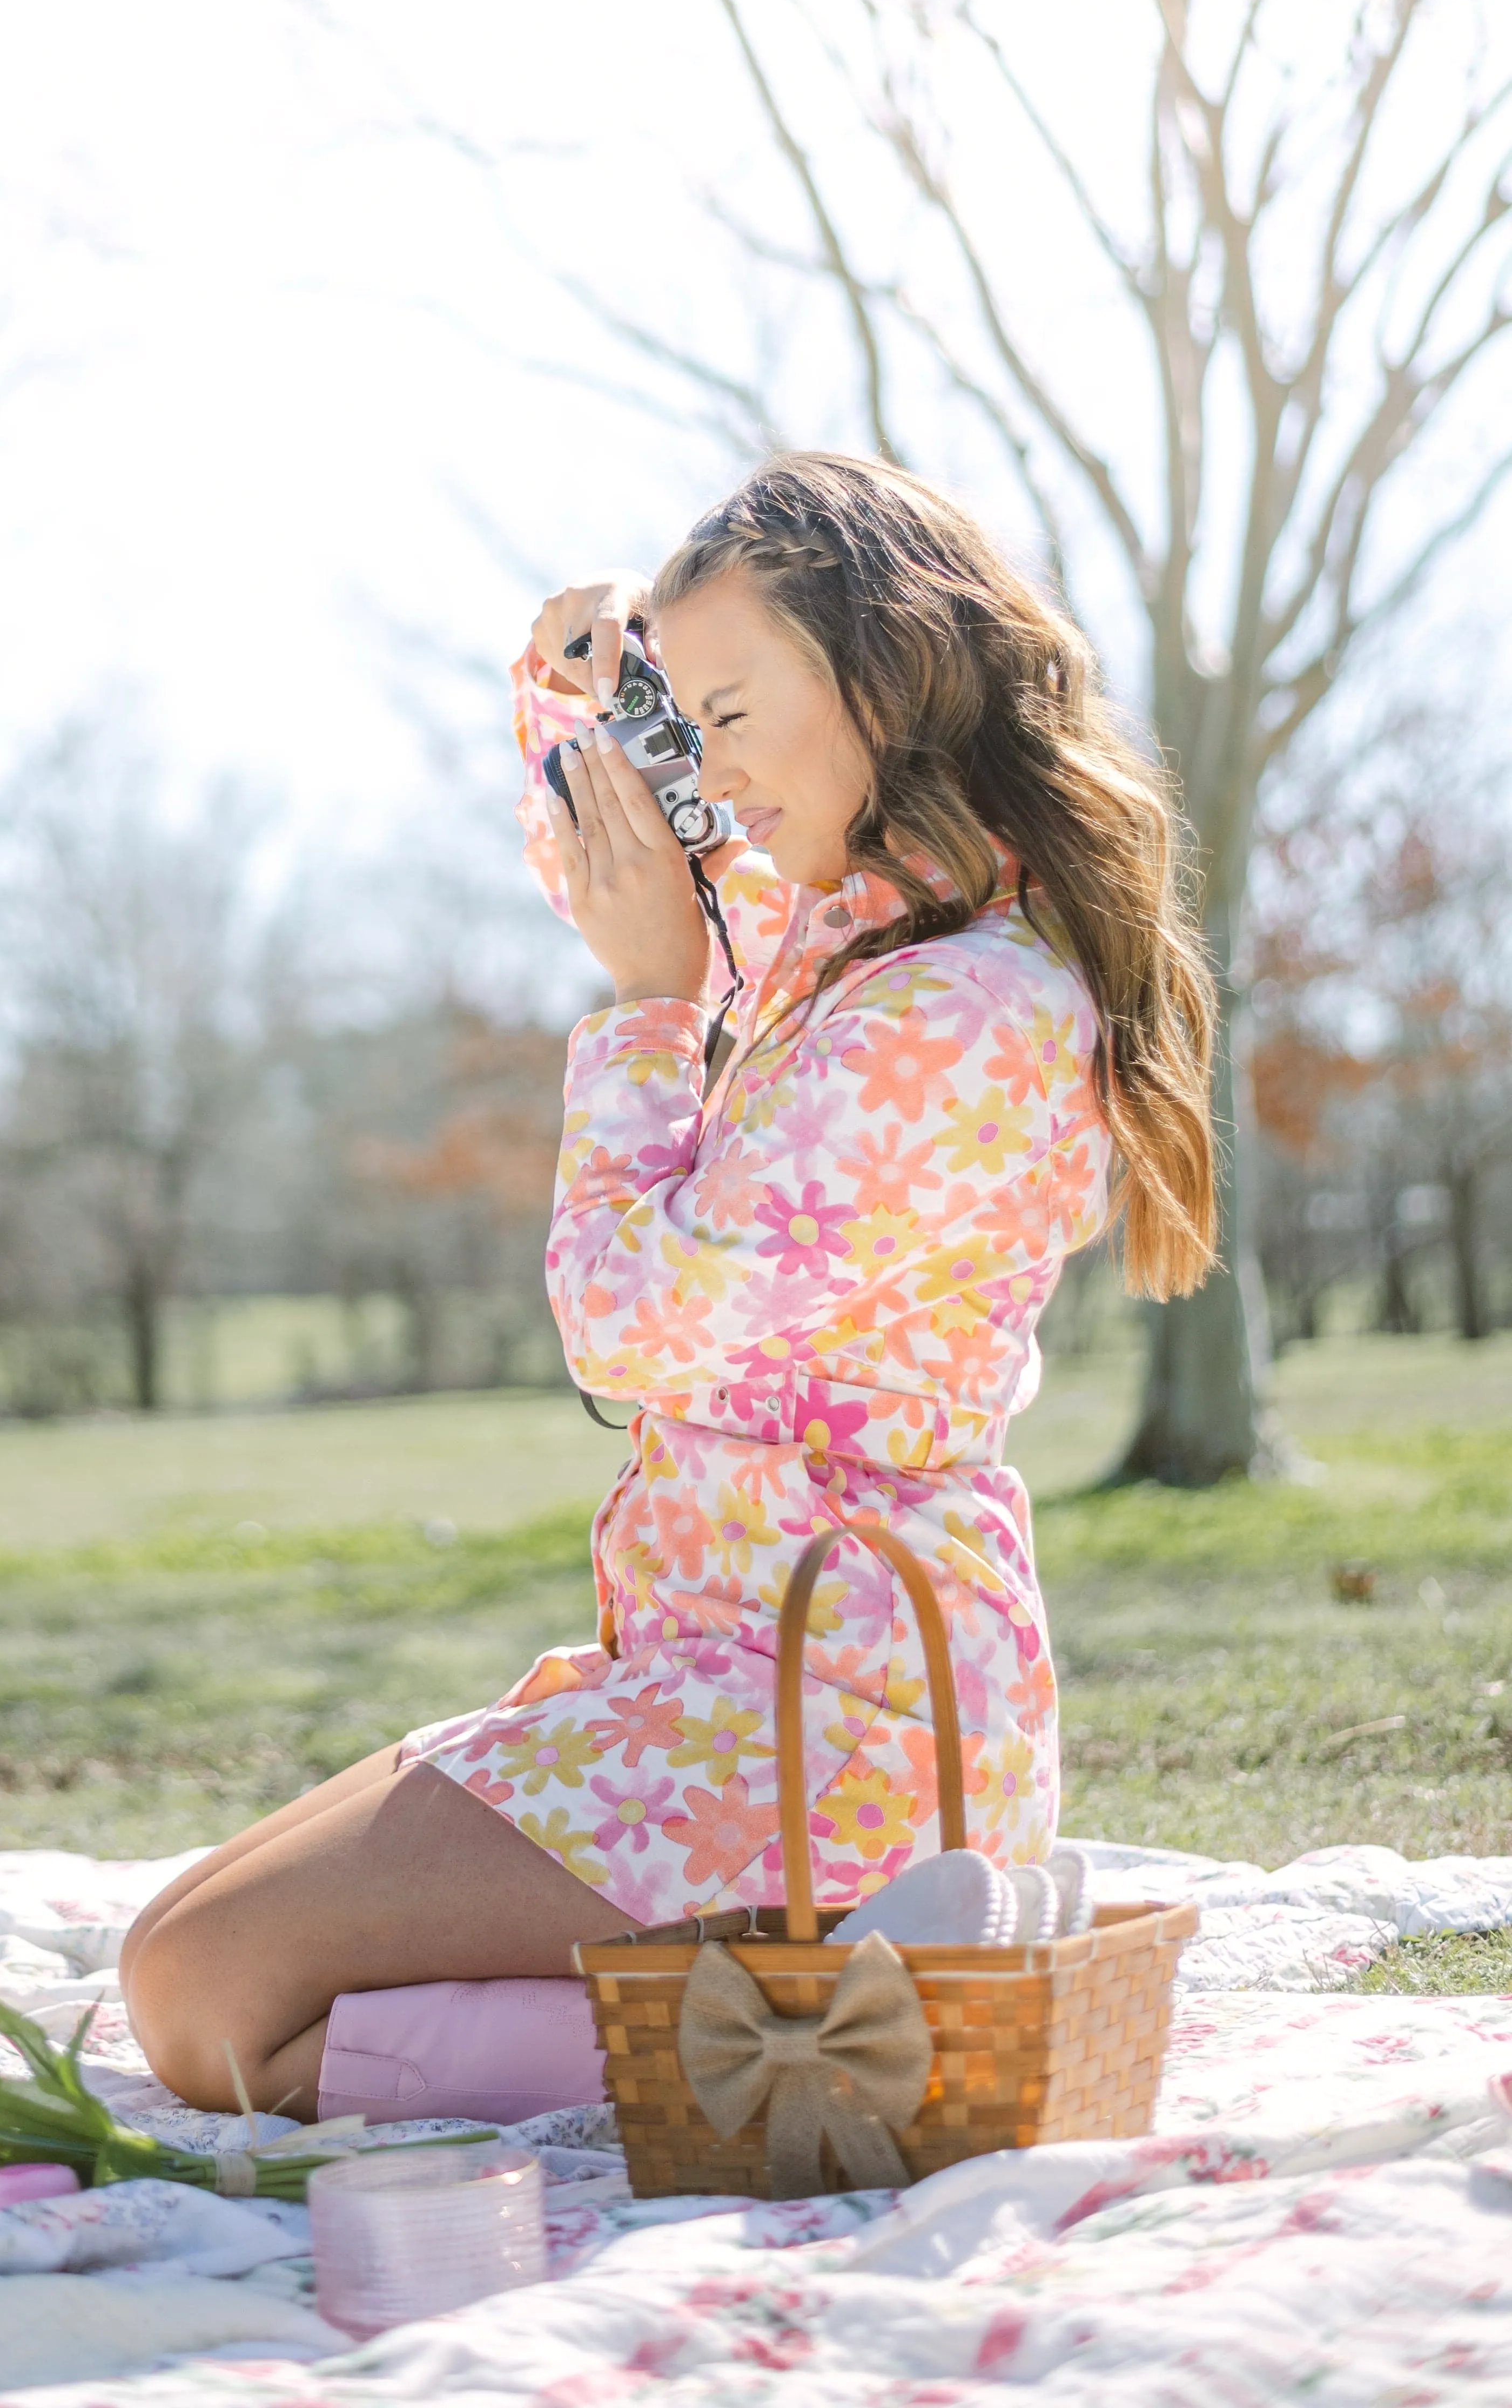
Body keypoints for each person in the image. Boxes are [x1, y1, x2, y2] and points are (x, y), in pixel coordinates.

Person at [122, 452, 1217, 2119]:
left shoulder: (963, 1016)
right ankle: (792, 2002)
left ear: (889, 668)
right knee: (180, 1958)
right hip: (712, 1680)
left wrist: (643, 1013)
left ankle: (867, 2011)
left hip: (838, 1722)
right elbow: (610, 838)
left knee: (205, 2003)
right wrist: (600, 677)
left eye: (732, 713)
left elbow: (626, 1324)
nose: (710, 771)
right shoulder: (849, 926)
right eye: (690, 727)